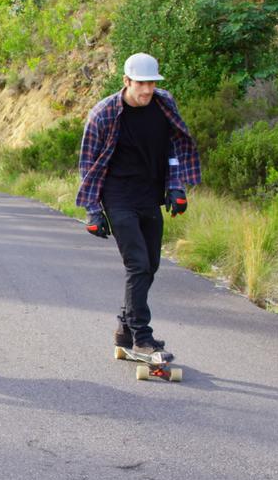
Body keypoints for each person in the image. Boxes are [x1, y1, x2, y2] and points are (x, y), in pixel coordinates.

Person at [76, 53, 201, 360]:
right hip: (117, 195)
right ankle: (142, 338)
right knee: (137, 264)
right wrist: (93, 211)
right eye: (141, 84)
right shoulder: (104, 113)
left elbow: (174, 147)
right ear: (126, 81)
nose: (147, 90)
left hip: (149, 193)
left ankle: (124, 327)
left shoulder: (164, 103)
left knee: (151, 266)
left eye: (152, 84)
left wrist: (176, 187)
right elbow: (87, 163)